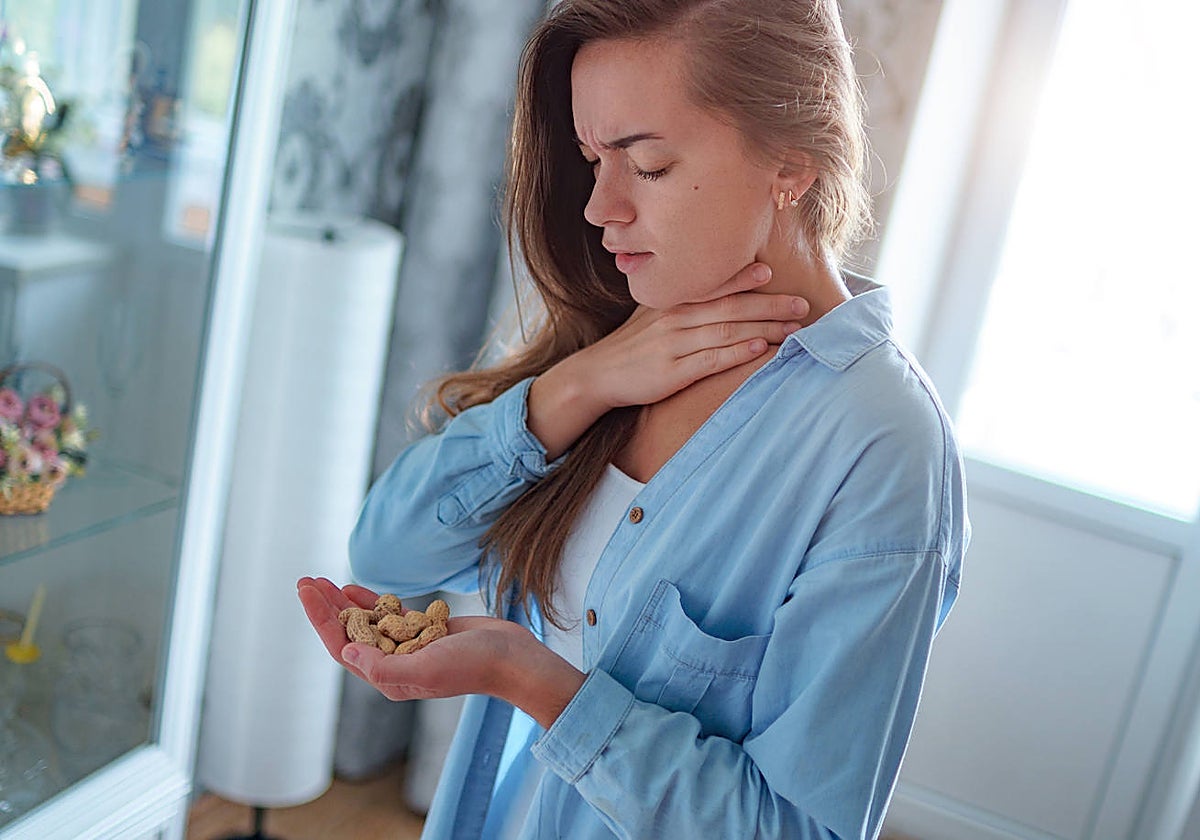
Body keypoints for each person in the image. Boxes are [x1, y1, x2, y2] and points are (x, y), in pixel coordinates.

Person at [298, 0, 969, 837]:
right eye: (589, 160)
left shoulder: (881, 448)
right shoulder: (623, 329)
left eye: (645, 165)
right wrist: (579, 385)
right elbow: (389, 553)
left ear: (791, 164)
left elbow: (802, 829)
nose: (599, 207)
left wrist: (530, 678)